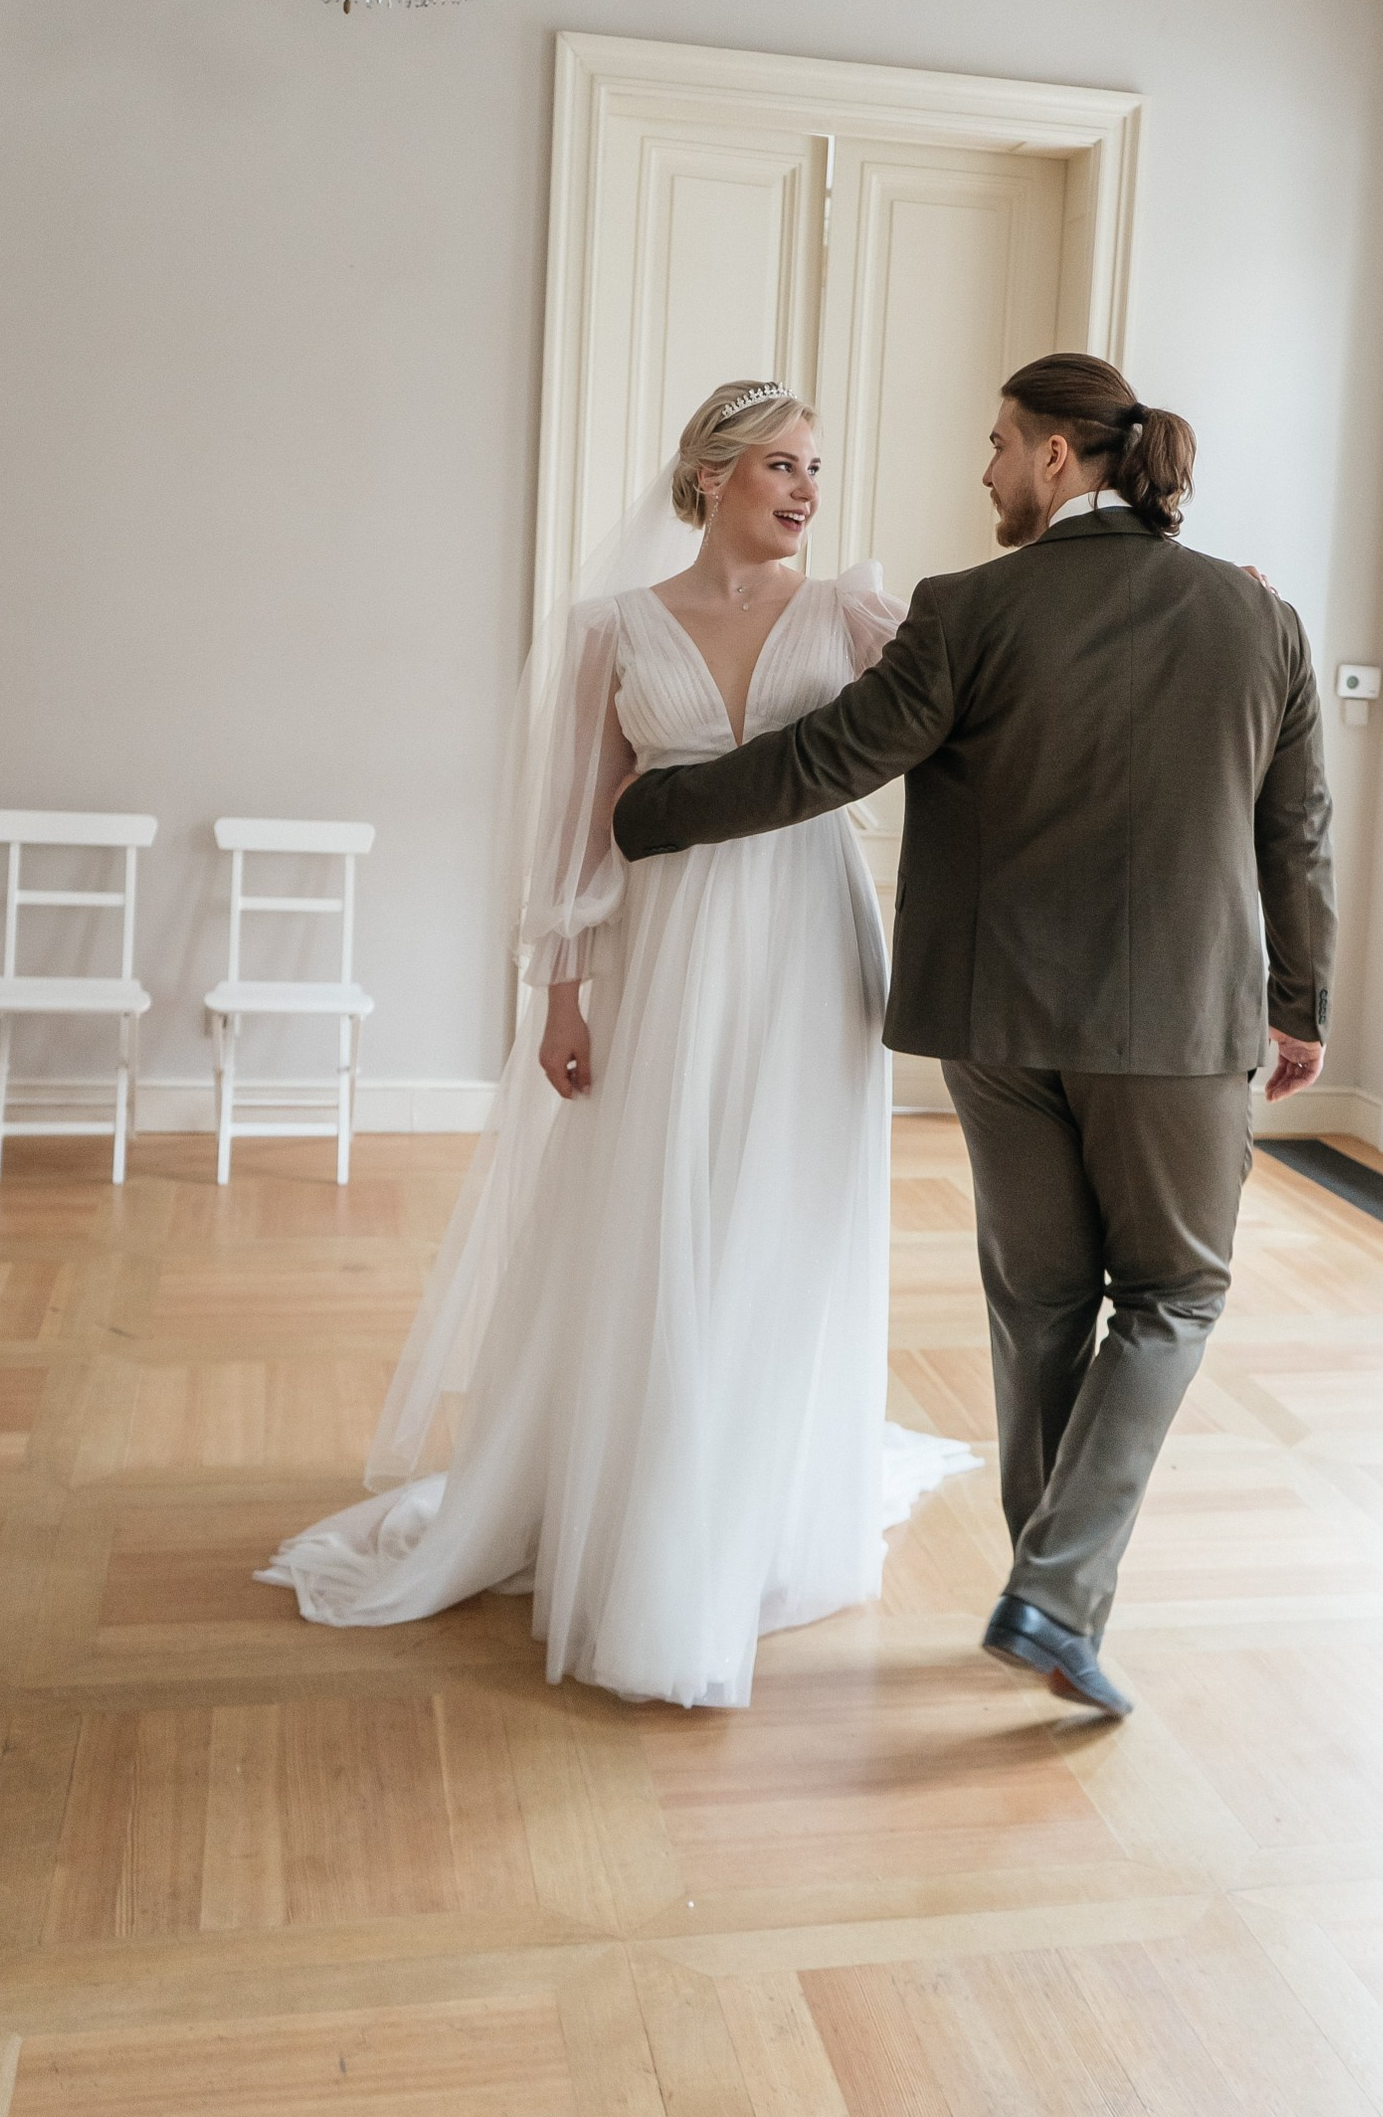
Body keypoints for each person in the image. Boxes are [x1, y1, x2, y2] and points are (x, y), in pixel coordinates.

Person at [614, 352, 1337, 1718]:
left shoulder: (969, 608)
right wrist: (1298, 1000)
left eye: (1001, 443)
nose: (987, 469)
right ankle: (1052, 1595)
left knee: (1043, 1304)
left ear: (1058, 457)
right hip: (1176, 1023)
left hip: (996, 1018)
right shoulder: (1258, 616)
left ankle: (1047, 1602)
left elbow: (829, 757)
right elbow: (1292, 828)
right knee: (1173, 1296)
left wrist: (654, 811)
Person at [259, 381, 973, 1709]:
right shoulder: (613, 630)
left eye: (816, 467)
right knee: (660, 1208)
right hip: (669, 948)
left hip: (811, 944)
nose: (807, 490)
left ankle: (754, 1505)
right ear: (709, 478)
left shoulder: (857, 616)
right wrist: (562, 993)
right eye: (781, 465)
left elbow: (984, 701)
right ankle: (643, 1497)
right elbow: (580, 825)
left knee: (783, 1212)